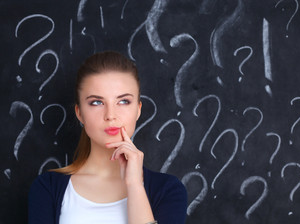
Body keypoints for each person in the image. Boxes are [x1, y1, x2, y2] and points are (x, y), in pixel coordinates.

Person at [28, 51, 187, 224]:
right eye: (97, 102)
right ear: (80, 113)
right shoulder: (47, 188)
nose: (110, 115)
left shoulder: (168, 190)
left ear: (138, 110)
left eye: (123, 101)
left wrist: (134, 185)